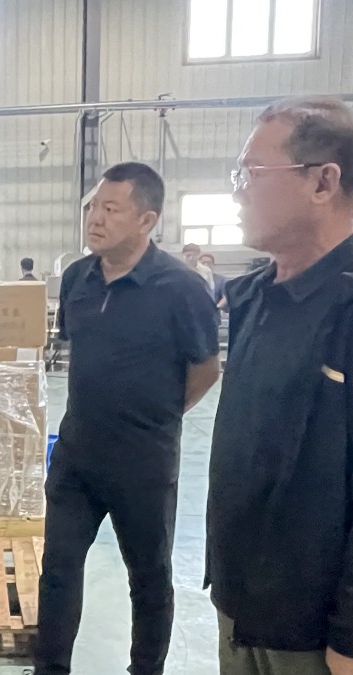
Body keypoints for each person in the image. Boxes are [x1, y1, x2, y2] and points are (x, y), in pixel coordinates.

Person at [37, 162, 220, 675]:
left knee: (149, 578)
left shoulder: (181, 288)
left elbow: (206, 368)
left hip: (143, 462)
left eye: (111, 209)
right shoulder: (77, 278)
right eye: (93, 207)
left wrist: (157, 416)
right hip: (76, 457)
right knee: (58, 571)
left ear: (146, 220)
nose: (95, 218)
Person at [207, 96, 353, 675]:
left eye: (251, 173)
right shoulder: (255, 297)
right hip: (240, 602)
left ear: (323, 182)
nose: (238, 192)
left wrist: (349, 635)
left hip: (314, 632)